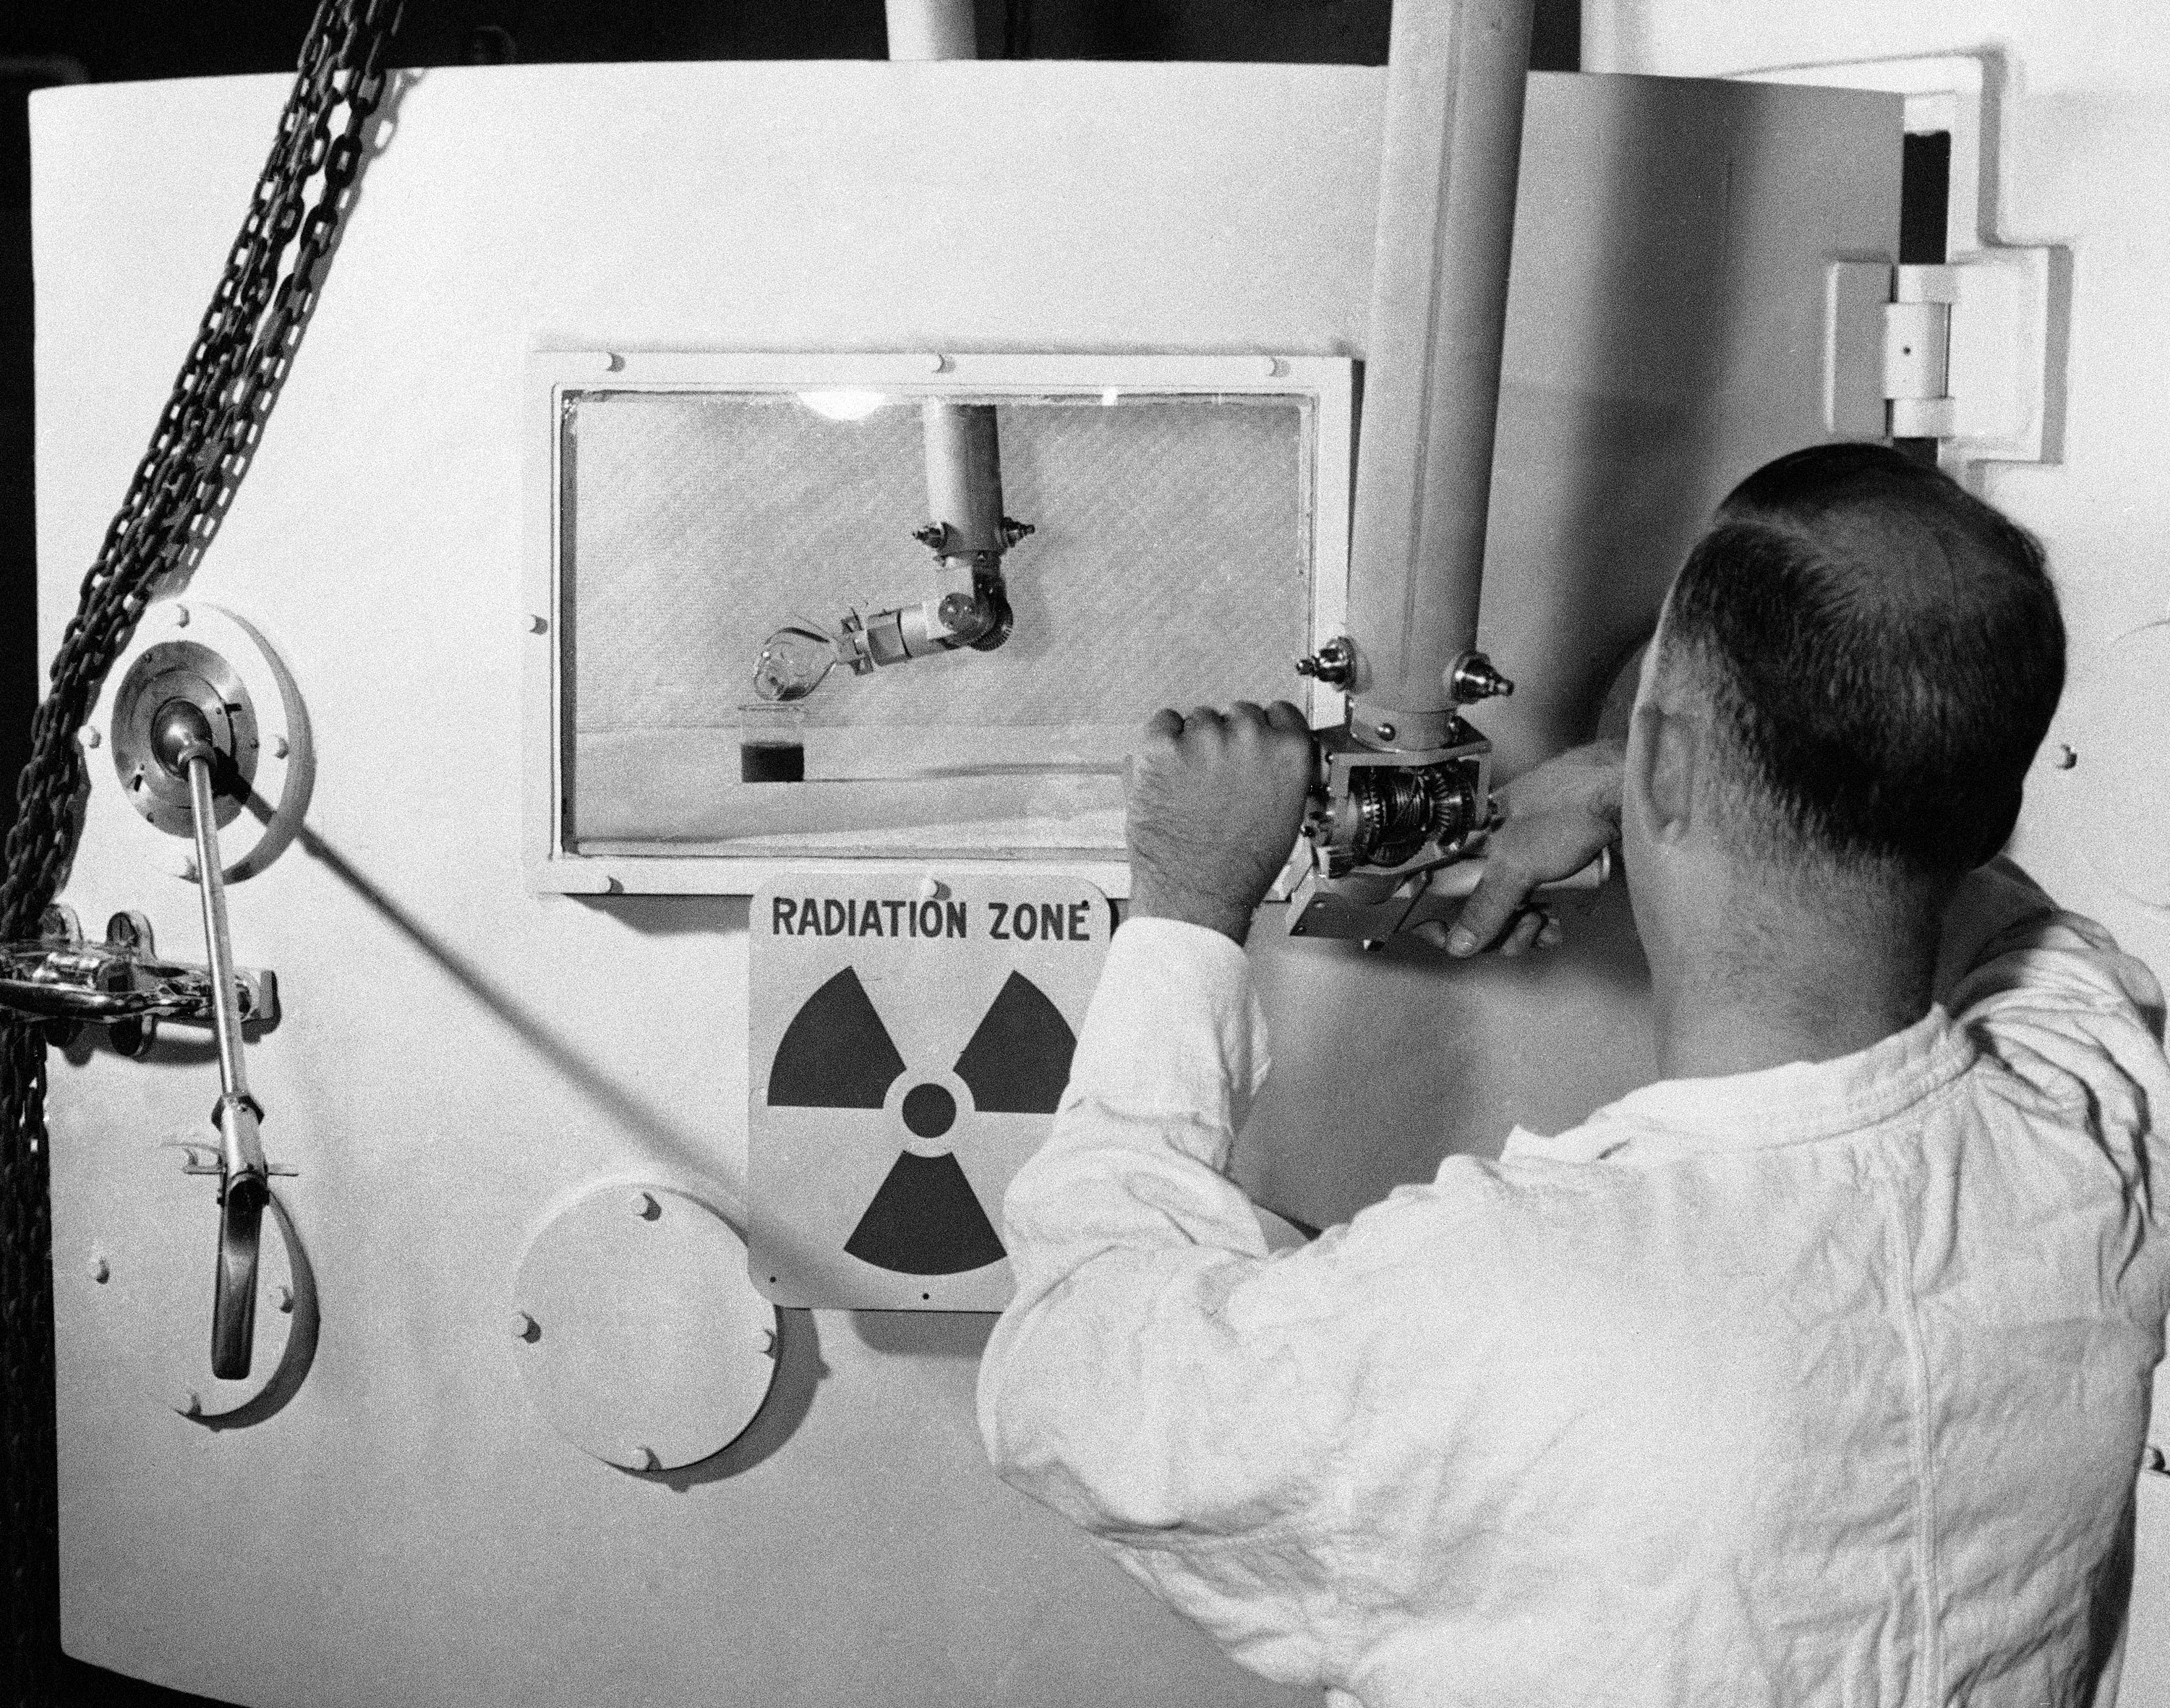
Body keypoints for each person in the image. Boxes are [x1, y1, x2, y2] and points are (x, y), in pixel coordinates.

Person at [975, 443, 2170, 1707]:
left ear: (1666, 761)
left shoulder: (1498, 1300)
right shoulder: (2093, 1137)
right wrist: (1660, 785)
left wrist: (1183, 901)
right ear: (1988, 804)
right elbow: (2033, 934)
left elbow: (1066, 1365)